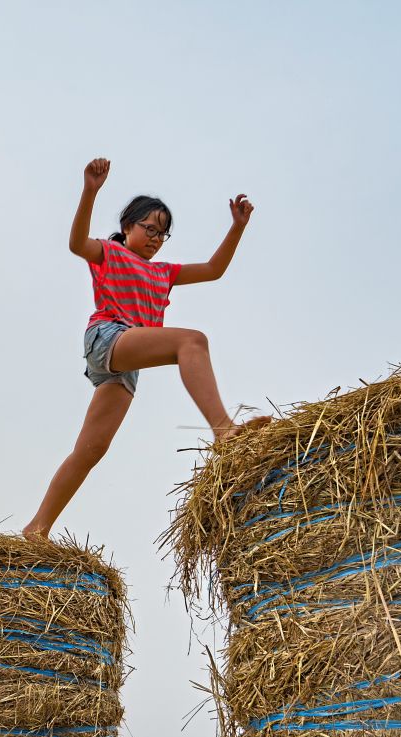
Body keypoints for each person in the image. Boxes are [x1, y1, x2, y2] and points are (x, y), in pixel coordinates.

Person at [23, 158, 267, 539]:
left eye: (162, 233)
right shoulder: (110, 253)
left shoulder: (164, 273)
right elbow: (75, 244)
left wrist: (237, 228)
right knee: (192, 341)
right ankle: (224, 430)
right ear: (127, 227)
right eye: (148, 228)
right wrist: (90, 191)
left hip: (126, 365)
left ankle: (37, 527)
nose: (155, 237)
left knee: (91, 449)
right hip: (108, 337)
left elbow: (214, 269)